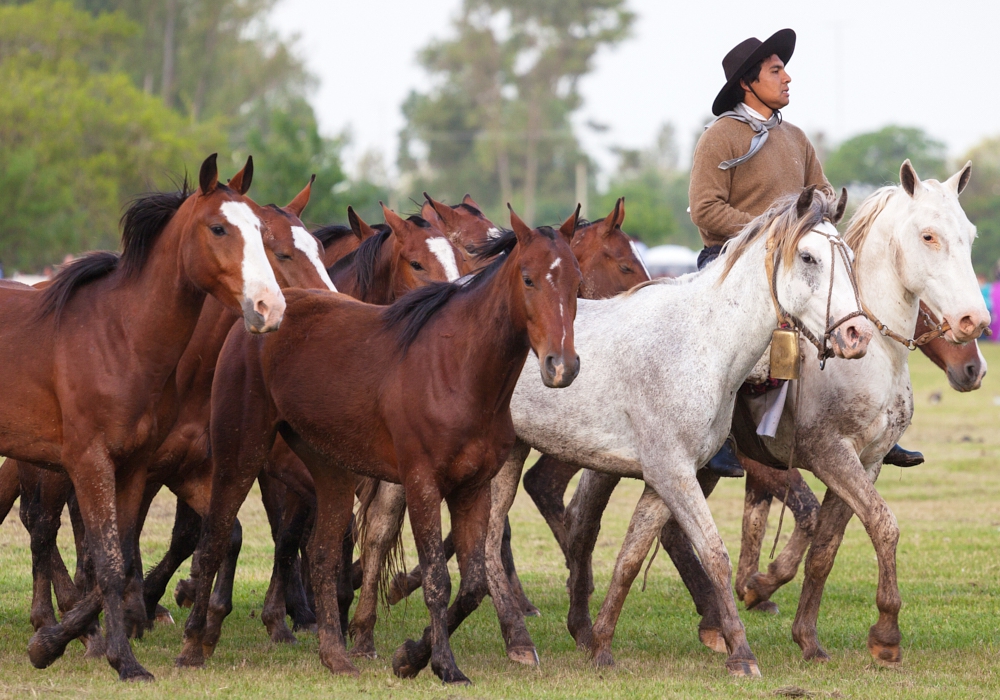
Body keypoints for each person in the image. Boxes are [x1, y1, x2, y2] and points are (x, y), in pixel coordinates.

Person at [689, 28, 922, 476]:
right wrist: (773, 233)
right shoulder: (721, 136)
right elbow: (705, 210)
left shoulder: (796, 137)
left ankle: (871, 426)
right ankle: (716, 435)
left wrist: (824, 209)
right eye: (776, 71)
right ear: (747, 82)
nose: (787, 78)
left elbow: (822, 189)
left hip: (795, 264)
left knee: (850, 307)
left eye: (784, 70)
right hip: (735, 265)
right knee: (731, 351)